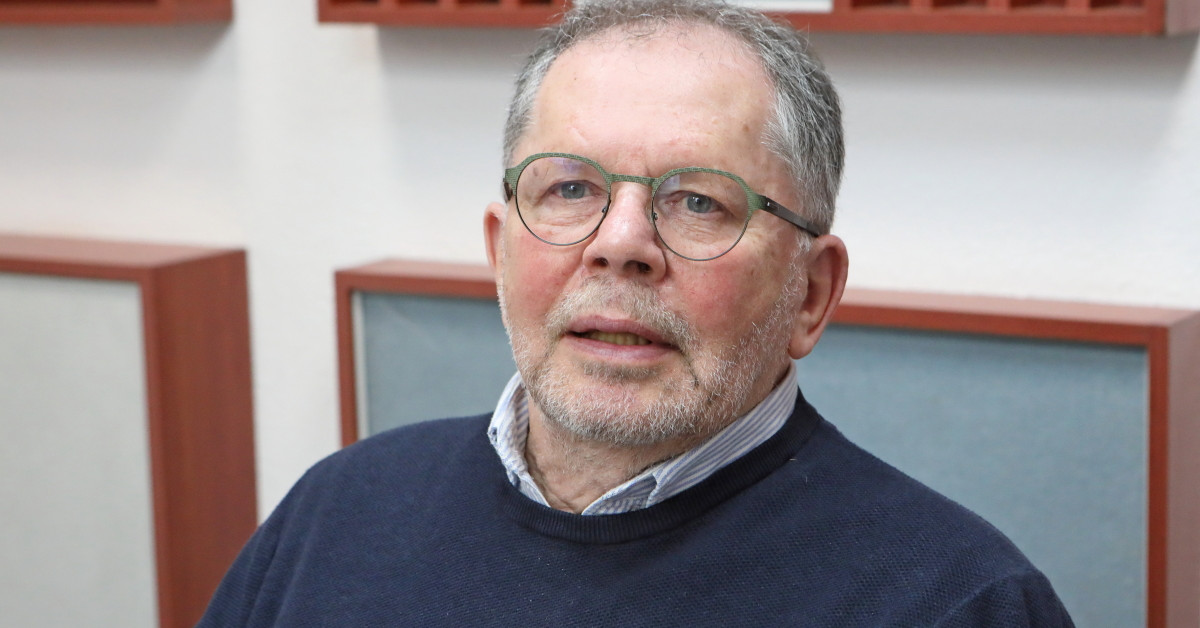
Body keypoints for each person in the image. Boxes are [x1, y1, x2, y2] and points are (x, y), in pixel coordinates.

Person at [200, 1, 1075, 625]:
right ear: (500, 252)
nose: (620, 244)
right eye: (571, 189)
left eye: (698, 202)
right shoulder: (338, 513)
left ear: (810, 292)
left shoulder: (956, 602)